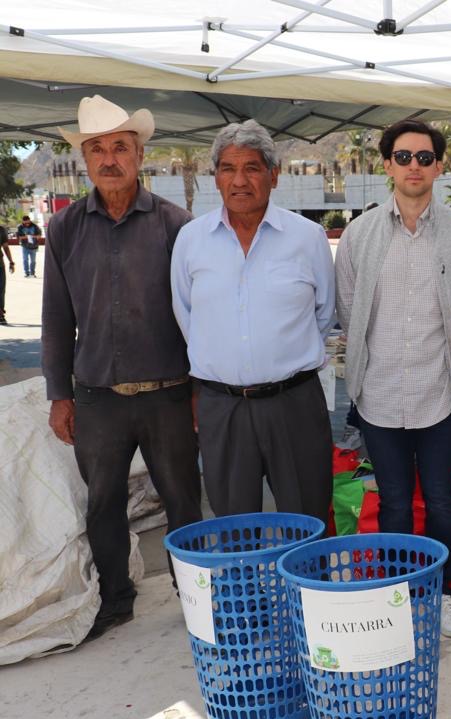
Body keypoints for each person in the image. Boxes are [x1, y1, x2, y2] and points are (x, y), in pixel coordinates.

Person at [41, 95, 202, 641]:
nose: (109, 159)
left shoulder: (178, 225)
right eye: (97, 149)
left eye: (120, 147)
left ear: (139, 154)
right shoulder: (63, 230)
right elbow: (56, 319)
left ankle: (194, 597)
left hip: (169, 394)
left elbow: (195, 314)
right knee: (103, 503)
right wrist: (58, 395)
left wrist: (201, 389)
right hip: (97, 398)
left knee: (182, 499)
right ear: (85, 160)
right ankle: (116, 599)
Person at [335, 119, 451, 639]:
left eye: (424, 157)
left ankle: (439, 594)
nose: (414, 166)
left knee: (442, 499)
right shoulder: (359, 234)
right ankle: (401, 595)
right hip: (379, 394)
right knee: (395, 501)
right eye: (403, 157)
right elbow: (350, 312)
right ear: (387, 165)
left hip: (442, 393)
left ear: (439, 166)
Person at [171, 120, 334, 524]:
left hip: (294, 403)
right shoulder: (191, 240)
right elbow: (186, 315)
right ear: (216, 177)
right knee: (233, 528)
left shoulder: (308, 237)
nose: (240, 180)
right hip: (221, 408)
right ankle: (243, 589)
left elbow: (325, 314)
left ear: (273, 176)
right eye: (228, 168)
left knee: (307, 520)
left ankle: (307, 589)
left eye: (252, 168)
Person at [0, 226, 13, 325]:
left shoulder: (1, 230)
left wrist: (11, 262)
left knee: (1, 290)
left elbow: (5, 247)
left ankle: (0, 314)